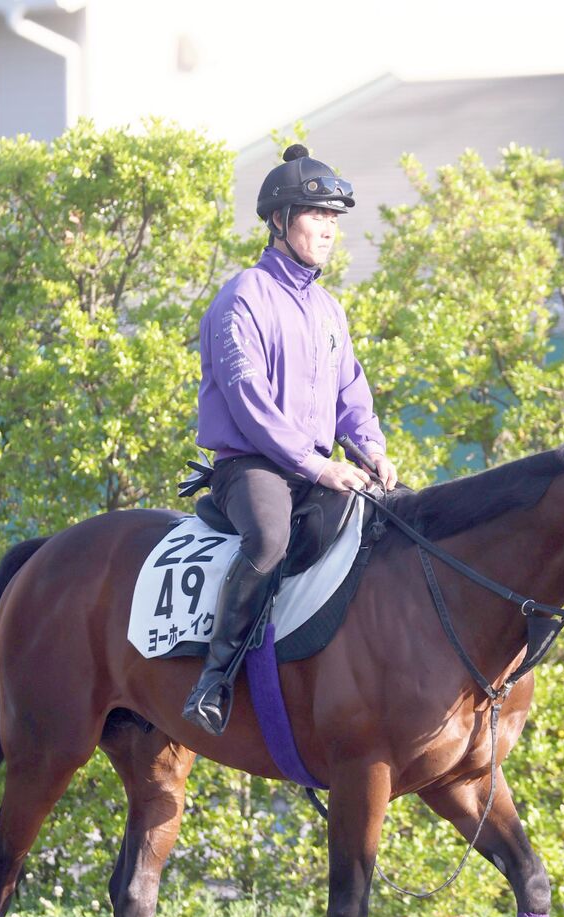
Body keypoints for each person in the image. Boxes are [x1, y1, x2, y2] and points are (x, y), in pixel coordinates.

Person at [181, 144, 398, 736]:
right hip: (251, 466)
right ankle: (214, 681)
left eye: (333, 219)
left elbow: (351, 391)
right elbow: (250, 404)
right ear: (280, 222)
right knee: (271, 537)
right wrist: (318, 465)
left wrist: (370, 448)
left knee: (386, 523)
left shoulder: (329, 309)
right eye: (316, 216)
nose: (328, 229)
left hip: (313, 467)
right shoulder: (241, 298)